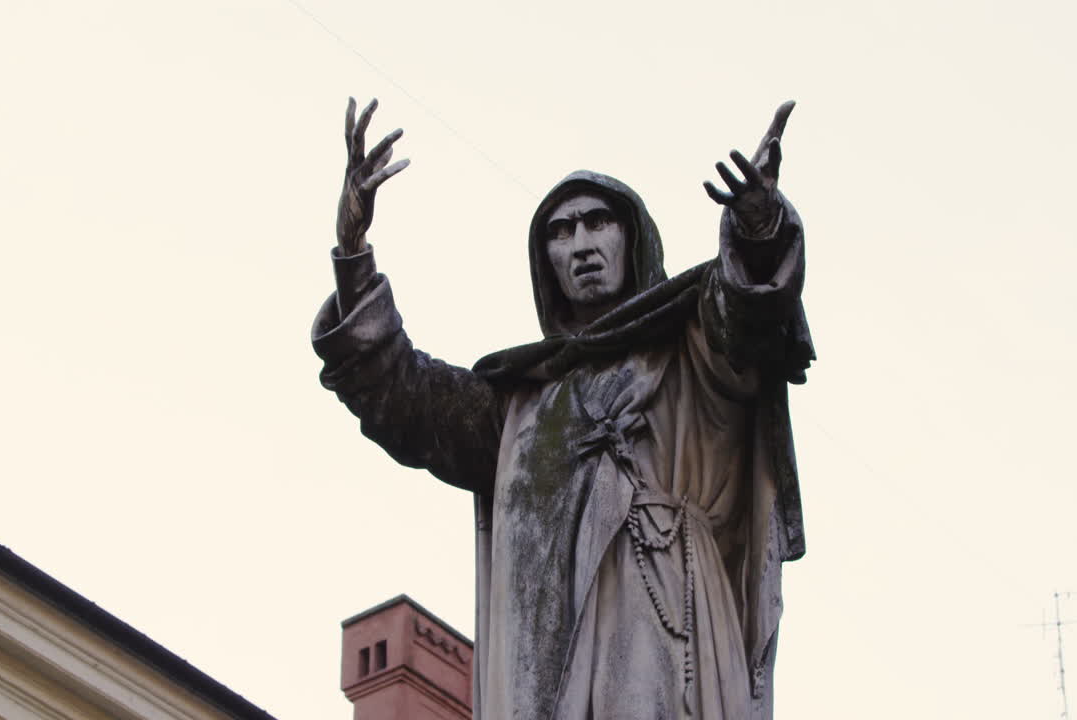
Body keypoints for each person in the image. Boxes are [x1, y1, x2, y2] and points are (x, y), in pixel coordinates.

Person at [312, 97, 814, 720]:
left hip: (661, 633)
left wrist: (759, 226)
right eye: (560, 230)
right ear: (544, 262)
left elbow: (748, 317)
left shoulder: (688, 347)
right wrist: (353, 255)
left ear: (633, 238)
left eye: (598, 222)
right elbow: (404, 397)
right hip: (541, 662)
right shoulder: (519, 398)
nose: (580, 243)